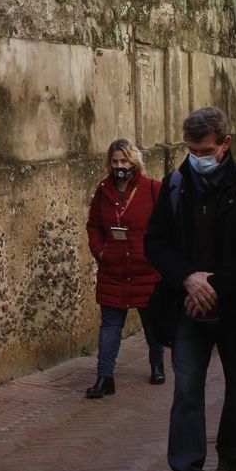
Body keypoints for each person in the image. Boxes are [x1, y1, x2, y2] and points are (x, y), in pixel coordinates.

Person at [145, 107, 236, 471]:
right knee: (186, 389)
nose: (198, 158)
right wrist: (188, 278)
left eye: (206, 151)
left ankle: (232, 460)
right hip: (187, 306)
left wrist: (215, 285)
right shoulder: (174, 185)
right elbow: (155, 243)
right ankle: (186, 465)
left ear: (225, 144)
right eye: (192, 150)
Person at [84, 139, 165, 398]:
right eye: (115, 161)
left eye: (124, 161)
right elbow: (93, 225)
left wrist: (157, 255)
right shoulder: (103, 191)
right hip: (114, 269)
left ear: (134, 162)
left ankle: (157, 365)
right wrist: (100, 251)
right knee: (110, 325)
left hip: (146, 270)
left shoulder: (152, 189)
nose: (120, 166)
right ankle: (104, 377)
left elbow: (167, 226)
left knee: (152, 324)